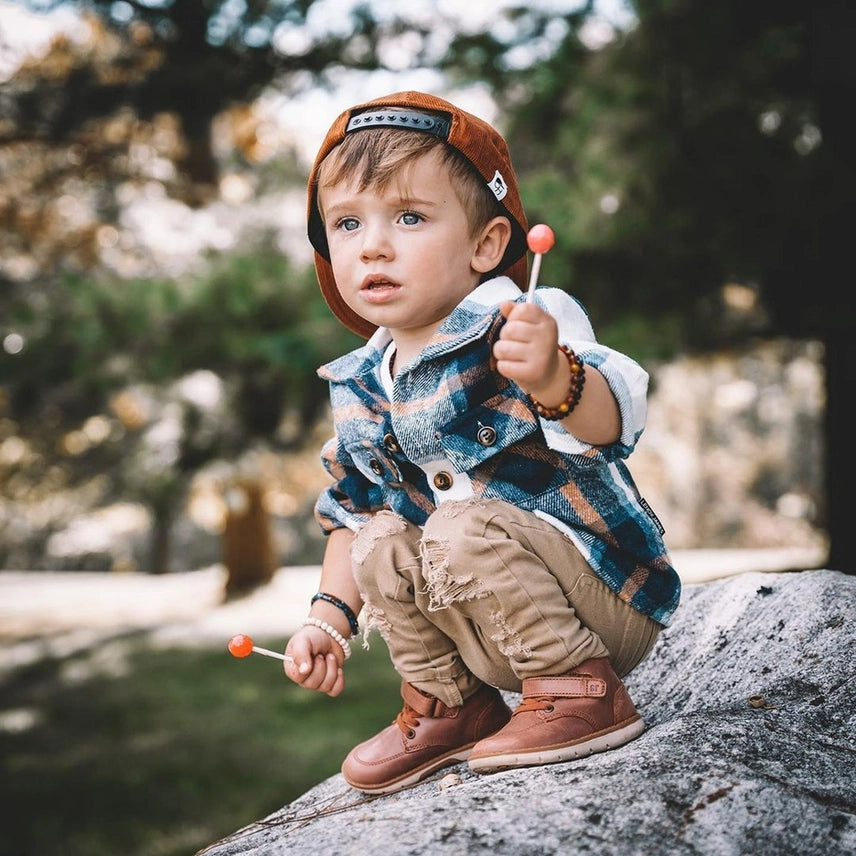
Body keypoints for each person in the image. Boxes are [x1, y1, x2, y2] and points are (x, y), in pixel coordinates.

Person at [283, 90, 680, 795]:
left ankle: (581, 691)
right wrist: (328, 620)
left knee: (461, 524)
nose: (373, 243)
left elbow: (617, 419)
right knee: (381, 537)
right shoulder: (364, 381)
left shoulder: (521, 320)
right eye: (347, 223)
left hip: (599, 601)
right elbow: (349, 513)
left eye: (409, 217)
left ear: (486, 244)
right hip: (483, 622)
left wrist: (558, 377)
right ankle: (449, 704)